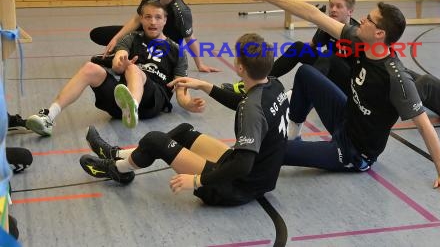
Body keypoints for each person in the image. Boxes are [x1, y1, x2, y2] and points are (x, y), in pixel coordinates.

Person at [236, 0, 440, 193]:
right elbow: (313, 14)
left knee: (272, 150)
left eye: (369, 19)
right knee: (306, 73)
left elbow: (425, 126)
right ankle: (293, 130)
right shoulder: (360, 40)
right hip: (345, 117)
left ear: (380, 34)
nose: (362, 20)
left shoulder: (397, 78)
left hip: (353, 151)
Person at [79, 33, 290, 207]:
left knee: (155, 140)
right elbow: (244, 101)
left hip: (236, 187)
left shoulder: (251, 108)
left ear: (240, 67)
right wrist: (204, 85)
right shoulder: (273, 84)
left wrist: (197, 181)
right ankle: (117, 154)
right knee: (183, 131)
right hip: (260, 176)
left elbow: (243, 165)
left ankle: (118, 169)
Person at [25, 0, 206, 136]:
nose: (153, 22)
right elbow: (118, 63)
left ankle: (132, 107)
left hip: (152, 101)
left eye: (158, 17)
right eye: (148, 17)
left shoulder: (176, 50)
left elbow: (181, 89)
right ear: (141, 19)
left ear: (165, 21)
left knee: (134, 70)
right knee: (90, 68)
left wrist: (187, 103)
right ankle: (49, 117)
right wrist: (121, 64)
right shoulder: (132, 38)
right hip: (122, 97)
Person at [222, 0, 359, 96]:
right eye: (332, 5)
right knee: (299, 47)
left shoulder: (356, 34)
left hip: (347, 83)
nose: (333, 9)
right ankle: (256, 80)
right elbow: (310, 47)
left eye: (339, 6)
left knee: (328, 57)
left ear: (350, 11)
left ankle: (293, 96)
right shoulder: (327, 27)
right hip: (326, 70)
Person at [90, 0, 220, 73]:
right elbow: (136, 20)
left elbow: (190, 38)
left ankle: (118, 58)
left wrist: (200, 64)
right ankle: (123, 53)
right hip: (145, 33)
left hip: (164, 46)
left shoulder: (182, 12)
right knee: (98, 34)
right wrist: (116, 39)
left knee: (151, 62)